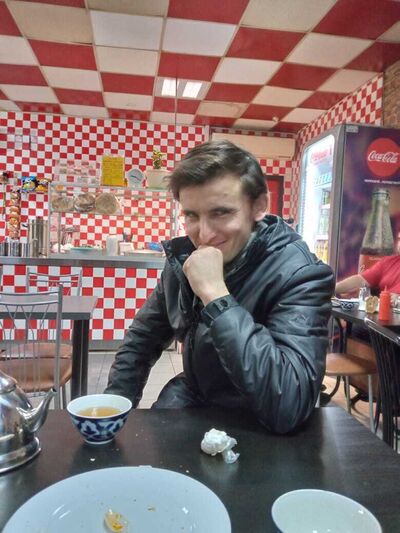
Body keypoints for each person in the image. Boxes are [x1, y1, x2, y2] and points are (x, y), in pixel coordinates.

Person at [105, 140, 334, 434]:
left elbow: (288, 402)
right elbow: (142, 340)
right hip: (195, 397)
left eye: (221, 213)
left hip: (261, 424)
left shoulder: (302, 274)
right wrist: (111, 413)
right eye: (191, 215)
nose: (204, 234)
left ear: (259, 206)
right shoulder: (184, 259)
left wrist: (216, 295)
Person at [335, 255, 400, 305]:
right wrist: (332, 288)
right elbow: (360, 280)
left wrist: (398, 299)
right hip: (381, 313)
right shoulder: (389, 261)